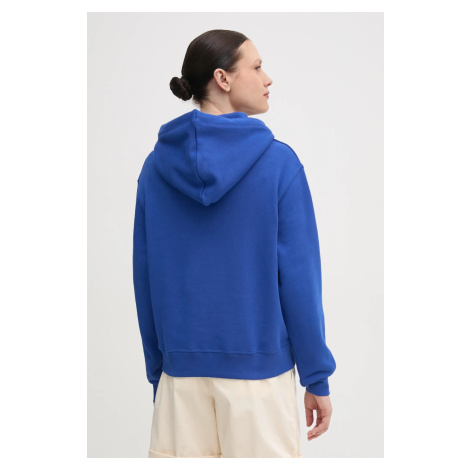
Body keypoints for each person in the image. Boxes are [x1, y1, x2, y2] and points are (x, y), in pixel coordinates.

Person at [132, 29, 336, 458]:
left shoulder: (155, 168)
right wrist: (316, 376)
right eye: (257, 67)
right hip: (258, 383)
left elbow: (145, 277)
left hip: (180, 380)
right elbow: (299, 279)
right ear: (222, 78)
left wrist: (161, 371)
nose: (267, 78)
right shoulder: (278, 163)